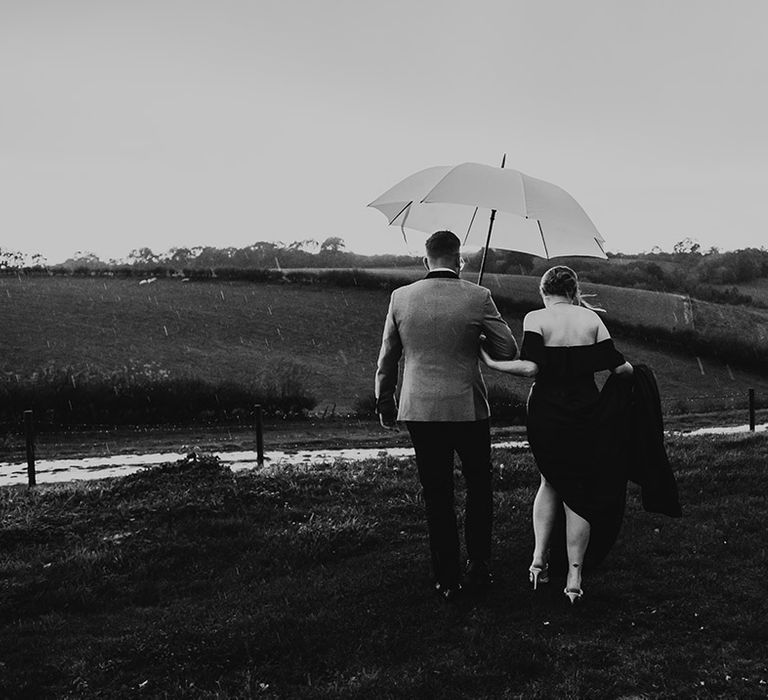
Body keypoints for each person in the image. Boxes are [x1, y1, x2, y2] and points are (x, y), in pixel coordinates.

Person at [375, 230, 518, 602]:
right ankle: (479, 566)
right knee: (478, 488)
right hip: (467, 408)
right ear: (459, 261)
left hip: (420, 409)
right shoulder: (478, 296)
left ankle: (446, 577)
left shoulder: (400, 298)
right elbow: (507, 348)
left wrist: (384, 402)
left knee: (436, 493)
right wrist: (478, 337)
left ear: (426, 260)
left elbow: (388, 358)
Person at [481, 265, 633, 605]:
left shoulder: (536, 318)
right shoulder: (592, 320)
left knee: (550, 480)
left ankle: (538, 561)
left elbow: (531, 367)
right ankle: (574, 577)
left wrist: (492, 363)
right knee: (578, 488)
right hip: (585, 409)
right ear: (574, 289)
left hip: (546, 410)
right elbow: (620, 369)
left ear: (542, 290)